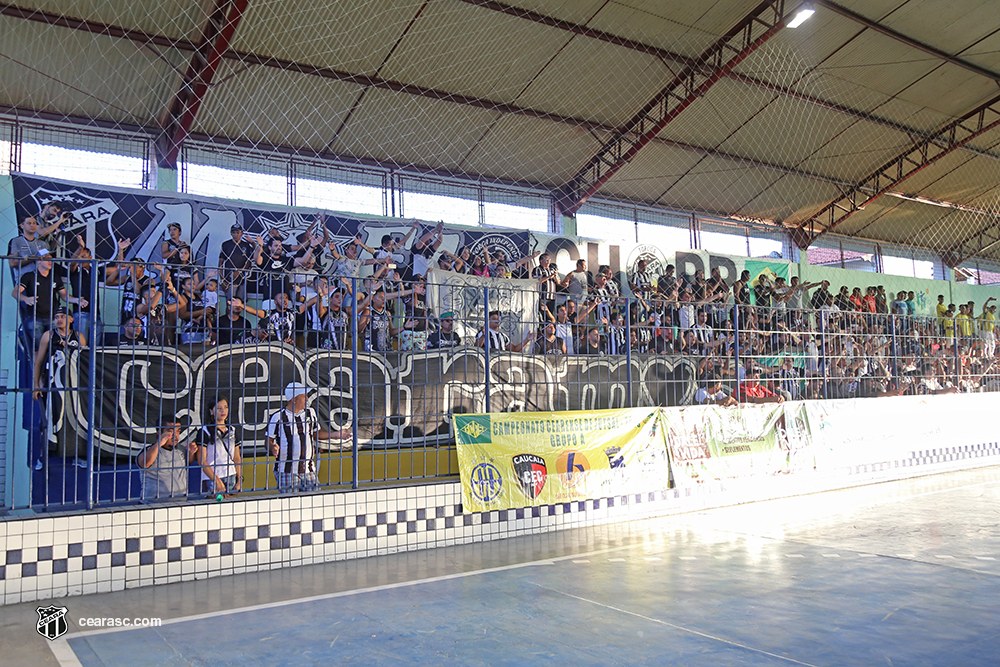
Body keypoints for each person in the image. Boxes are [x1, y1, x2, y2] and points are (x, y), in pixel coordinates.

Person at [267, 382, 352, 494]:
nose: (307, 399)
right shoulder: (278, 417)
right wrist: (272, 447)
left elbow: (316, 433)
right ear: (294, 399)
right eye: (303, 396)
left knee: (313, 503)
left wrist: (335, 434)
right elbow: (268, 439)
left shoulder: (310, 413)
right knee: (290, 505)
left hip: (309, 470)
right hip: (286, 471)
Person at [32, 307, 87, 469]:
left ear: (71, 319)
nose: (59, 319)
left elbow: (85, 361)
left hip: (74, 385)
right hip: (53, 384)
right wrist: (36, 385)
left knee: (76, 418)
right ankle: (44, 456)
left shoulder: (79, 336)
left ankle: (77, 454)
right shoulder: (48, 335)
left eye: (63, 316)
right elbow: (39, 361)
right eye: (56, 317)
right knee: (49, 418)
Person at [136, 416, 198, 502]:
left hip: (180, 505)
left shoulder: (181, 449)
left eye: (178, 431)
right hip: (153, 507)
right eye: (170, 431)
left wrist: (191, 453)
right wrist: (159, 443)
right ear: (159, 432)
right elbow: (144, 464)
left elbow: (187, 463)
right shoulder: (149, 450)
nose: (175, 436)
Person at [198, 396, 242, 497]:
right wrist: (216, 480)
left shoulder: (232, 430)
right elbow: (202, 460)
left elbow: (236, 457)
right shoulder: (204, 431)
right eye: (219, 408)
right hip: (212, 476)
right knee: (213, 507)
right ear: (211, 411)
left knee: (230, 507)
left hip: (231, 475)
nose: (223, 411)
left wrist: (239, 479)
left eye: (226, 407)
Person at [218, 224, 260, 300]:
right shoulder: (226, 244)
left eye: (238, 232)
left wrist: (239, 271)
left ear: (242, 233)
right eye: (233, 232)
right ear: (231, 233)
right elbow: (221, 262)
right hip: (229, 278)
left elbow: (248, 261)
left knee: (241, 301)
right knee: (230, 301)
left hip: (242, 278)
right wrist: (222, 280)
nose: (235, 235)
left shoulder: (246, 245)